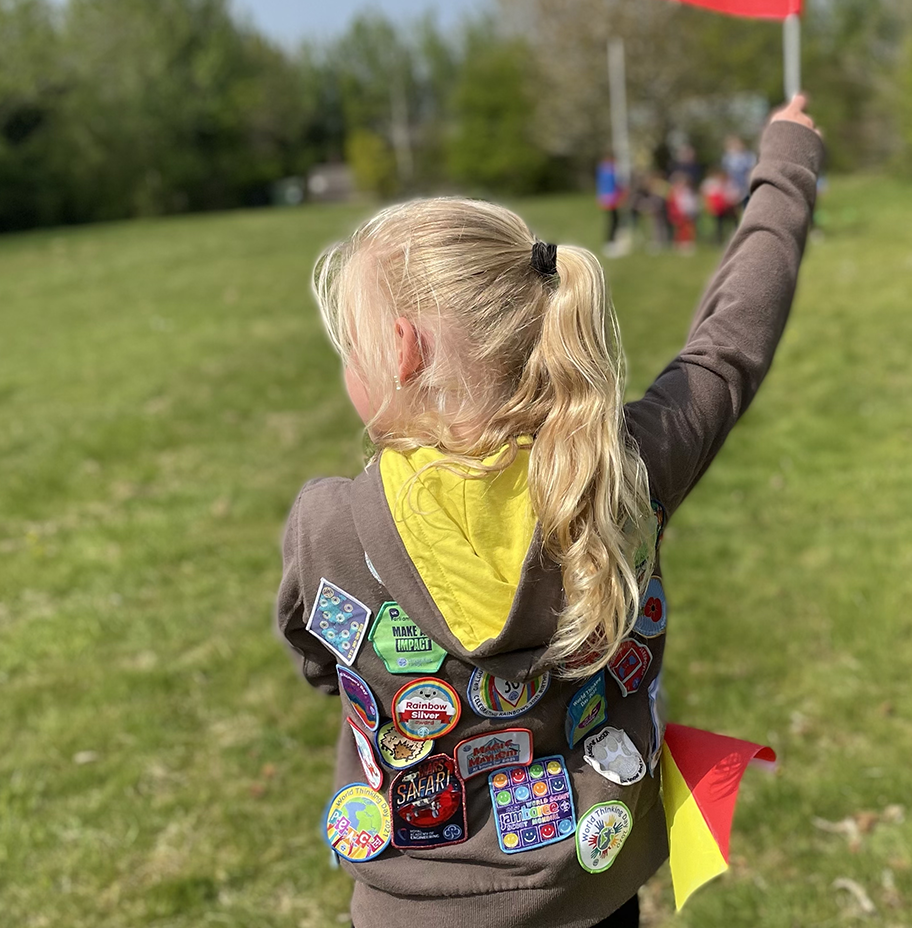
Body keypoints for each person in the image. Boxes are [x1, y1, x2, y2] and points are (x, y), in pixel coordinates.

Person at [276, 95, 823, 928]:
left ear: (401, 349)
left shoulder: (327, 525)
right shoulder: (622, 470)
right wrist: (785, 162)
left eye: (350, 345)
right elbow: (729, 345)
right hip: (591, 894)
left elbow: (319, 659)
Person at [595, 153, 626, 255]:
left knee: (613, 220)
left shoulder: (602, 168)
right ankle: (611, 242)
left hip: (606, 198)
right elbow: (617, 183)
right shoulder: (612, 169)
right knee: (614, 220)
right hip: (612, 198)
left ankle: (610, 242)